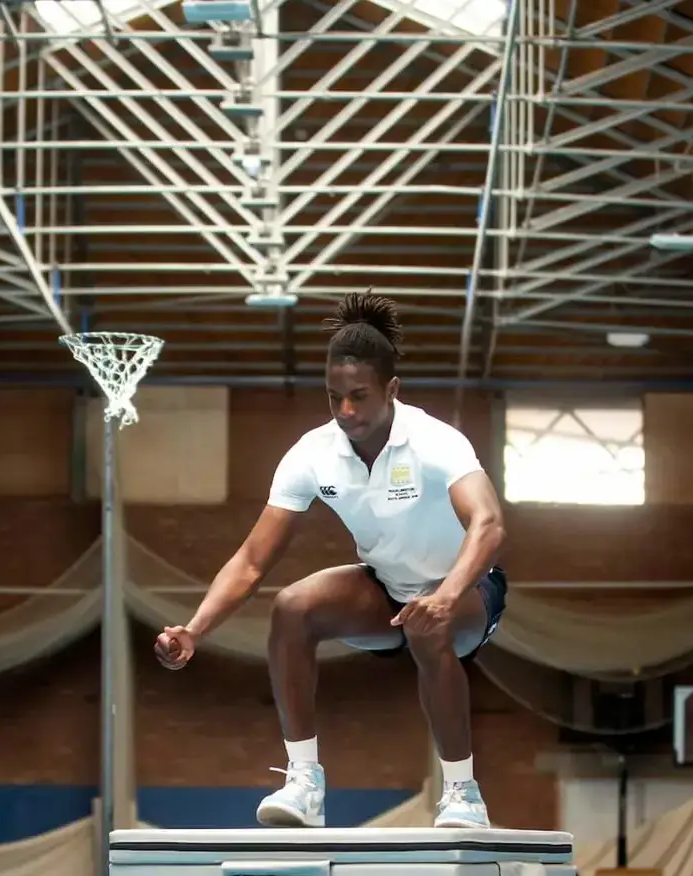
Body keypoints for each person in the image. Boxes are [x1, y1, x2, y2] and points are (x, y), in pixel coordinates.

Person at [154, 290, 507, 830]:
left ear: (391, 389)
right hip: (387, 591)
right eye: (334, 396)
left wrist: (445, 596)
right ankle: (304, 783)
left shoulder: (437, 442)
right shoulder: (312, 453)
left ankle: (462, 794)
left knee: (427, 630)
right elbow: (251, 560)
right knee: (293, 607)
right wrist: (196, 629)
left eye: (359, 397)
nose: (346, 411)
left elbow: (488, 524)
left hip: (468, 593)